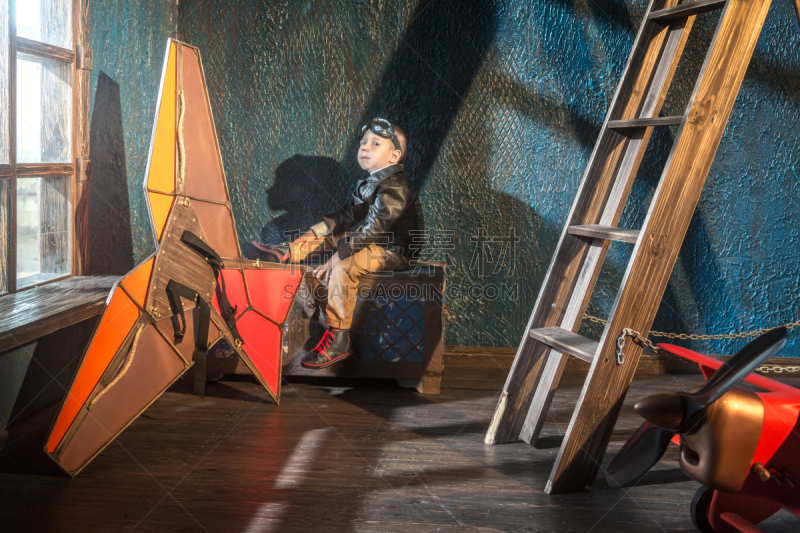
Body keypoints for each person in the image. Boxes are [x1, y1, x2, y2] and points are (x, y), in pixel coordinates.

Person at [246, 118, 425, 368]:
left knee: (344, 268)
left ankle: (339, 338)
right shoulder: (370, 182)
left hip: (394, 251)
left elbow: (374, 230)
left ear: (394, 156)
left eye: (375, 143)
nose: (364, 147)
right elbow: (348, 216)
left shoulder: (395, 186)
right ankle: (284, 253)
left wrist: (339, 256)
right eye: (363, 142)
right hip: (374, 242)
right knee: (330, 236)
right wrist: (314, 232)